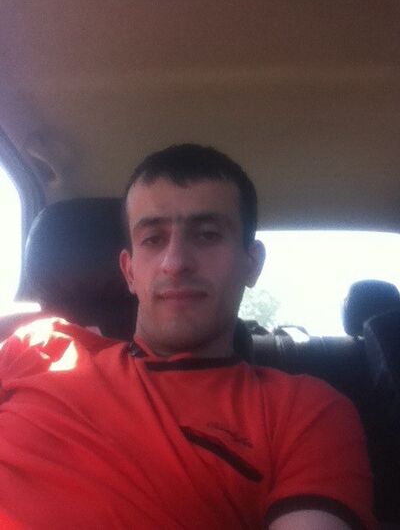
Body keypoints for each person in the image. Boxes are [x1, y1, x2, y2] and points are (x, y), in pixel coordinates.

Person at [0, 144, 375, 529]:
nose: (175, 262)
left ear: (252, 263)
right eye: (152, 239)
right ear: (129, 272)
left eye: (207, 235)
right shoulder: (36, 345)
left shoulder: (304, 412)